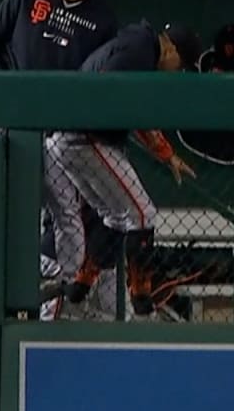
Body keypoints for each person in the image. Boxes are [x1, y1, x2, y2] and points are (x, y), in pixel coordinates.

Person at [0, 0, 119, 319]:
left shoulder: (102, 17)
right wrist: (11, 88)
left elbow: (102, 82)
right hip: (13, 125)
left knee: (65, 216)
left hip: (60, 134)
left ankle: (50, 316)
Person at [46, 21, 201, 317]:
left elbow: (132, 107)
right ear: (170, 48)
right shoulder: (139, 50)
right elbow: (108, 92)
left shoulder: (138, 47)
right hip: (85, 137)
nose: (176, 71)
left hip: (71, 139)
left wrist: (166, 155)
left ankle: (84, 278)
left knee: (117, 217)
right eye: (180, 65)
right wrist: (164, 152)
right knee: (143, 214)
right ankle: (140, 290)